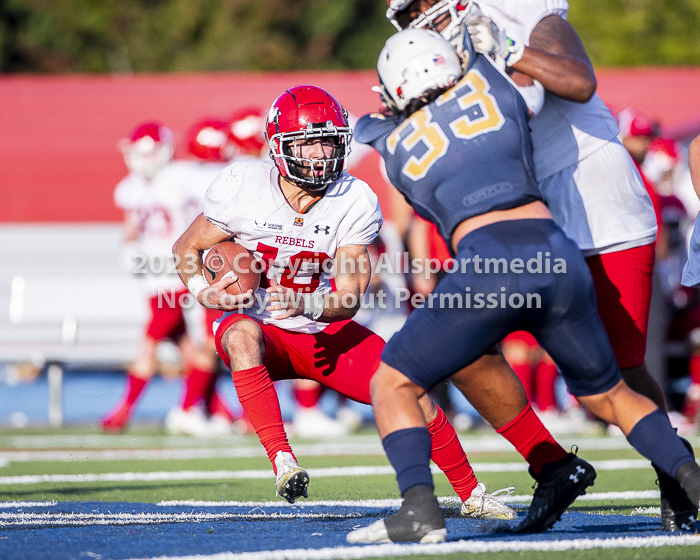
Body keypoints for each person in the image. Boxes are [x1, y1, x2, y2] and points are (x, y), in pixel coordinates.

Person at [346, 27, 700, 544]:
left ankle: (419, 508)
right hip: (557, 251)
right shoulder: (495, 85)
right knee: (610, 394)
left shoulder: (389, 139)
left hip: (490, 262)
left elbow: (371, 125)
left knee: (392, 382)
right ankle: (687, 476)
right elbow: (534, 83)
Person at [173, 85, 516, 519]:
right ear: (280, 147)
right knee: (240, 334)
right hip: (260, 329)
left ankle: (472, 494)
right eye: (307, 143)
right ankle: (282, 459)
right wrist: (206, 292)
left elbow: (350, 295)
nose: (319, 155)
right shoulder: (244, 184)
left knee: (411, 392)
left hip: (320, 328)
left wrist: (308, 303)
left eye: (327, 142)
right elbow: (187, 246)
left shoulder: (353, 199)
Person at [103, 121, 229, 434]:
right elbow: (131, 226)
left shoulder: (182, 176)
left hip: (179, 273)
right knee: (191, 350)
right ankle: (222, 412)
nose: (145, 160)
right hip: (154, 278)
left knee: (152, 345)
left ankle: (125, 411)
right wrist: (129, 248)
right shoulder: (131, 186)